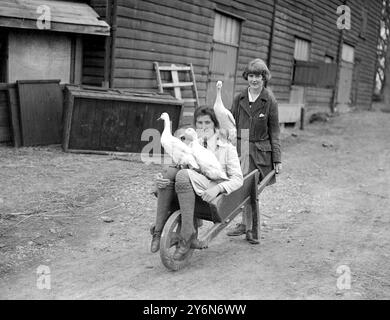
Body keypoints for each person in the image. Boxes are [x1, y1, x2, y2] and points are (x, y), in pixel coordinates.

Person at [150, 107, 243, 260]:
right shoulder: (190, 144)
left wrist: (218, 188)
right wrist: (159, 178)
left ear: (215, 125)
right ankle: (158, 230)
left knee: (183, 175)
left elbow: (238, 179)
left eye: (208, 122)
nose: (203, 126)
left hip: (212, 187)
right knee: (171, 173)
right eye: (199, 123)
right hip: (191, 186)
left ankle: (187, 236)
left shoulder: (227, 149)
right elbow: (177, 164)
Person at [227, 58, 282, 244]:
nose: (254, 80)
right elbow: (230, 122)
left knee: (252, 189)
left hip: (260, 149)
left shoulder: (269, 99)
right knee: (240, 186)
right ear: (247, 77)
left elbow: (274, 130)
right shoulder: (239, 97)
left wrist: (277, 159)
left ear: (264, 77)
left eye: (258, 76)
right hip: (241, 146)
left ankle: (251, 228)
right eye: (251, 76)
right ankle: (244, 224)